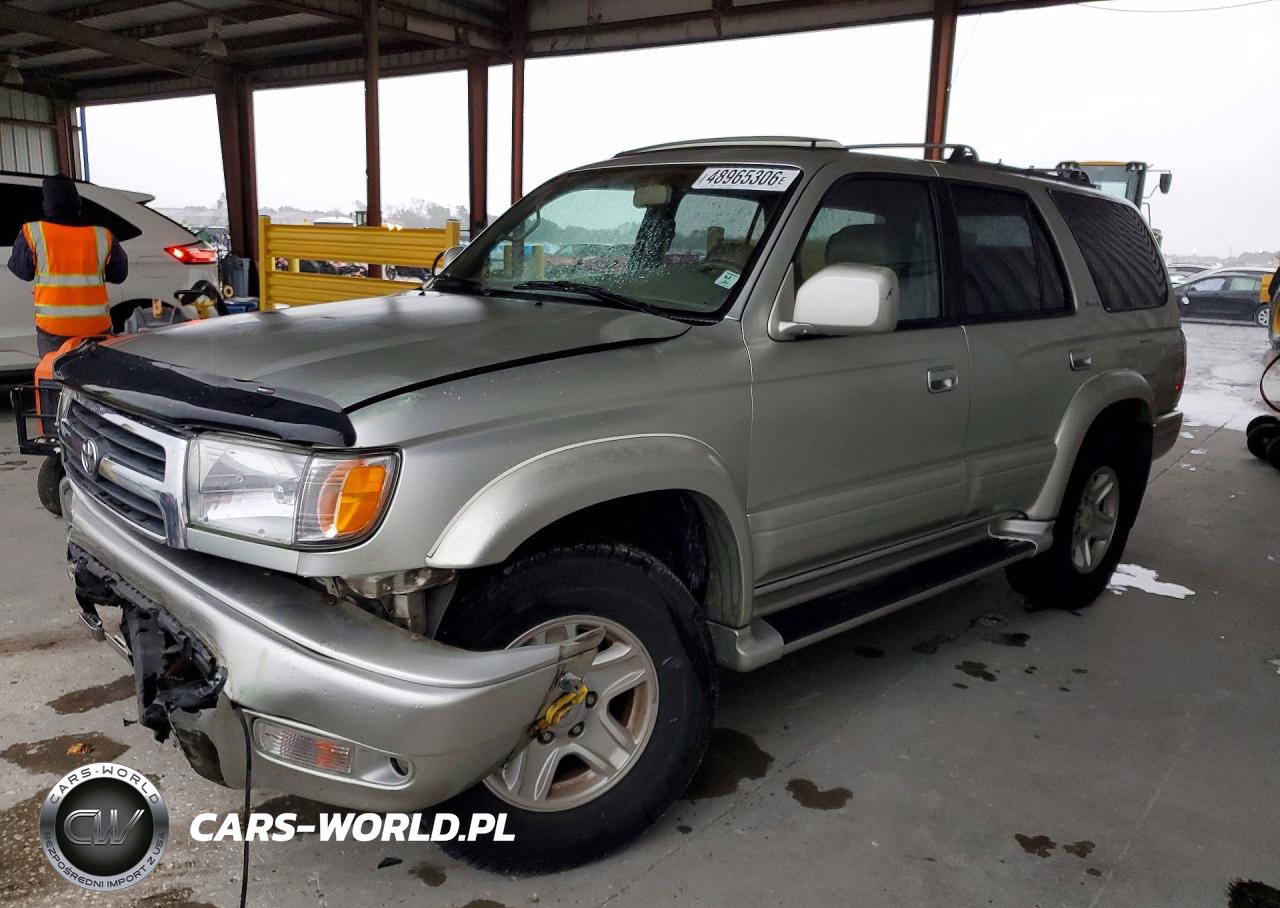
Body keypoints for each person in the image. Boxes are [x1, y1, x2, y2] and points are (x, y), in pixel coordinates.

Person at [6, 175, 128, 357]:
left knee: (56, 379)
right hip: (96, 329)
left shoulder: (34, 233)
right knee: (96, 380)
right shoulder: (102, 236)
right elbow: (120, 274)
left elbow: (21, 271)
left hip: (54, 330)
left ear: (47, 202)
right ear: (76, 200)